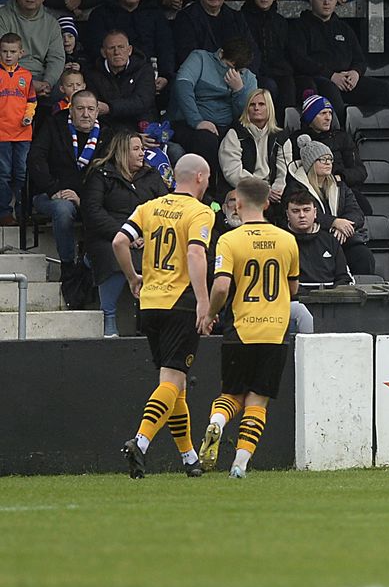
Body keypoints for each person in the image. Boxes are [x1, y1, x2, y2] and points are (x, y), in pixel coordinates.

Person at [114, 153, 214, 479]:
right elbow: (196, 252)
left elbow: (119, 241)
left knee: (175, 385)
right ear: (199, 177)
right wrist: (204, 301)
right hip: (180, 303)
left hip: (150, 303)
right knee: (172, 380)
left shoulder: (149, 206)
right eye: (208, 177)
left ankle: (189, 458)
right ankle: (140, 442)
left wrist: (132, 278)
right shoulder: (200, 212)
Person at [198, 177, 299, 478]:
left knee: (231, 394)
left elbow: (220, 287)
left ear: (238, 204)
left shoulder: (229, 240)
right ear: (268, 203)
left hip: (240, 329)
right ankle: (240, 464)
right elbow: (292, 289)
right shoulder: (287, 240)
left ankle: (217, 423)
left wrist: (209, 314)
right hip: (274, 330)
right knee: (257, 402)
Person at [82, 130, 167, 336]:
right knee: (112, 256)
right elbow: (92, 210)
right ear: (121, 152)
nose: (141, 154)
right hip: (110, 235)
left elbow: (166, 207)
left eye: (142, 149)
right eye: (136, 149)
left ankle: (156, 320)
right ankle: (108, 316)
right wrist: (123, 235)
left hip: (146, 237)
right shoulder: (101, 174)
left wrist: (146, 235)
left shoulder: (151, 175)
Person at [28, 90, 108, 305]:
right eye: (80, 108)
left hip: (90, 199)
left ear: (97, 112)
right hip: (51, 194)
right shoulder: (54, 125)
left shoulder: (107, 135)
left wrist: (83, 198)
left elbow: (109, 173)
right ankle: (67, 265)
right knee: (63, 209)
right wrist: (54, 188)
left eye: (91, 109)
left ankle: (90, 264)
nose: (85, 114)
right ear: (70, 109)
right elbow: (36, 157)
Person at [288, 0, 389, 122]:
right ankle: (342, 135)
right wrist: (331, 76)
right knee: (330, 92)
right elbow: (299, 60)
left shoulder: (344, 28)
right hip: (320, 80)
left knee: (385, 90)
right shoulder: (299, 27)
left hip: (347, 81)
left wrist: (355, 73)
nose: (326, 2)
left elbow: (360, 59)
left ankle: (364, 131)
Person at [168, 36, 257, 196]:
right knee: (206, 139)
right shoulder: (200, 58)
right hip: (190, 123)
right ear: (221, 54)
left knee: (243, 140)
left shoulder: (248, 78)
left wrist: (239, 91)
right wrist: (197, 121)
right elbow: (182, 86)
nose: (232, 72)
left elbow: (246, 115)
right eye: (229, 66)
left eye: (238, 70)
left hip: (227, 125)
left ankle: (235, 195)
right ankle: (206, 193)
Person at [284, 138, 375, 275]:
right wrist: (334, 222)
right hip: (314, 238)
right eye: (322, 159)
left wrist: (343, 227)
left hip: (341, 236)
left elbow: (356, 211)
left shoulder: (339, 186)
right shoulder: (296, 187)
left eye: (330, 159)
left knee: (362, 256)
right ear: (310, 163)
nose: (328, 163)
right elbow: (302, 214)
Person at [84, 0, 175, 93]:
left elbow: (166, 48)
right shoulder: (100, 14)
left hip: (150, 76)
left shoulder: (155, 15)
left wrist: (165, 75)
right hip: (111, 79)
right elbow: (95, 50)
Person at [218, 88, 292, 223]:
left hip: (273, 193)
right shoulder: (235, 134)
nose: (256, 108)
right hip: (243, 190)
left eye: (261, 104)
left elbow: (284, 170)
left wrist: (277, 189)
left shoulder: (281, 137)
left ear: (269, 107)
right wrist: (262, 191)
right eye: (252, 105)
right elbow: (232, 172)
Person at [172, 0, 259, 73]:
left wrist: (244, 74)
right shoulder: (186, 18)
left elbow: (252, 50)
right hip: (201, 77)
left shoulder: (237, 17)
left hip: (236, 74)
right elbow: (187, 56)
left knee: (268, 84)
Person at [295, 93, 369, 214]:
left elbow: (360, 172)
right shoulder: (297, 140)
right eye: (323, 113)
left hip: (342, 189)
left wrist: (340, 177)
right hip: (311, 191)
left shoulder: (342, 137)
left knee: (364, 208)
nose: (328, 117)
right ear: (310, 117)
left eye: (330, 113)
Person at [0, 0, 65, 103]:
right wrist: (26, 83)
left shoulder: (51, 23)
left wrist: (48, 82)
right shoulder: (3, 16)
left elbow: (56, 58)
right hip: (8, 74)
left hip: (41, 78)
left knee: (65, 91)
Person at [241, 0, 295, 115]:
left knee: (289, 84)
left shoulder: (280, 21)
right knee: (268, 86)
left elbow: (286, 52)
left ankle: (285, 131)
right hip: (253, 72)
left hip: (279, 71)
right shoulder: (241, 19)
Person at [84, 30, 157, 132]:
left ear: (130, 50)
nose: (117, 52)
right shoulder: (92, 75)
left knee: (174, 149)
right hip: (109, 133)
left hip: (143, 131)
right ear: (103, 53)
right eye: (111, 48)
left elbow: (143, 102)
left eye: (121, 47)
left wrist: (110, 108)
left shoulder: (144, 70)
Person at [0, 32, 36, 226]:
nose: (8, 55)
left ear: (20, 53)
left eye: (12, 51)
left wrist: (28, 115)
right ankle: (5, 213)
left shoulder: (26, 76)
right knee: (3, 173)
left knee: (22, 173)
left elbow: (32, 101)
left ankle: (23, 212)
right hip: (2, 134)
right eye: (4, 51)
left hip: (23, 133)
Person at [286, 189, 351, 291]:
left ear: (315, 213)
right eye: (296, 211)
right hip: (295, 301)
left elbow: (344, 277)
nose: (302, 215)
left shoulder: (330, 240)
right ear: (287, 215)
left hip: (331, 300)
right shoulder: (281, 241)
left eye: (306, 210)